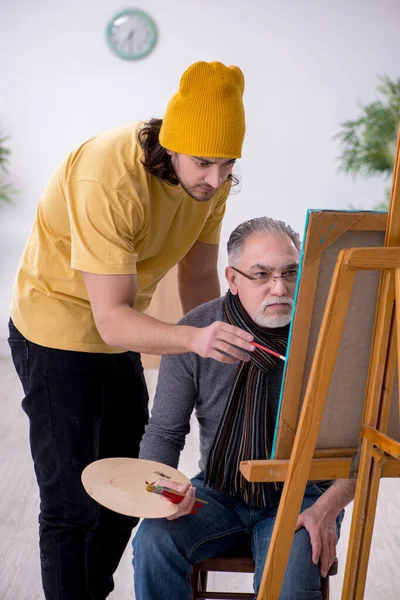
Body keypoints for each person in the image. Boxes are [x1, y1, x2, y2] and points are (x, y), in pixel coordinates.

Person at [7, 61, 255, 600]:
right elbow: (109, 316)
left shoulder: (210, 184)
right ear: (170, 144)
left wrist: (224, 342)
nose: (215, 179)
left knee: (134, 489)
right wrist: (193, 342)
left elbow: (195, 277)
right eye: (205, 162)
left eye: (228, 164)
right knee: (71, 500)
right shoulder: (109, 176)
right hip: (56, 328)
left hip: (121, 327)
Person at [134, 217, 356, 600]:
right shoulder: (197, 331)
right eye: (261, 274)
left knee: (290, 580)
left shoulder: (328, 331)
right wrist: (162, 494)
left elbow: (364, 444)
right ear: (232, 279)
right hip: (220, 489)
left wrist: (328, 508)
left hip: (305, 494)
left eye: (290, 272)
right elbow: (165, 432)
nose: (280, 287)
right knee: (154, 541)